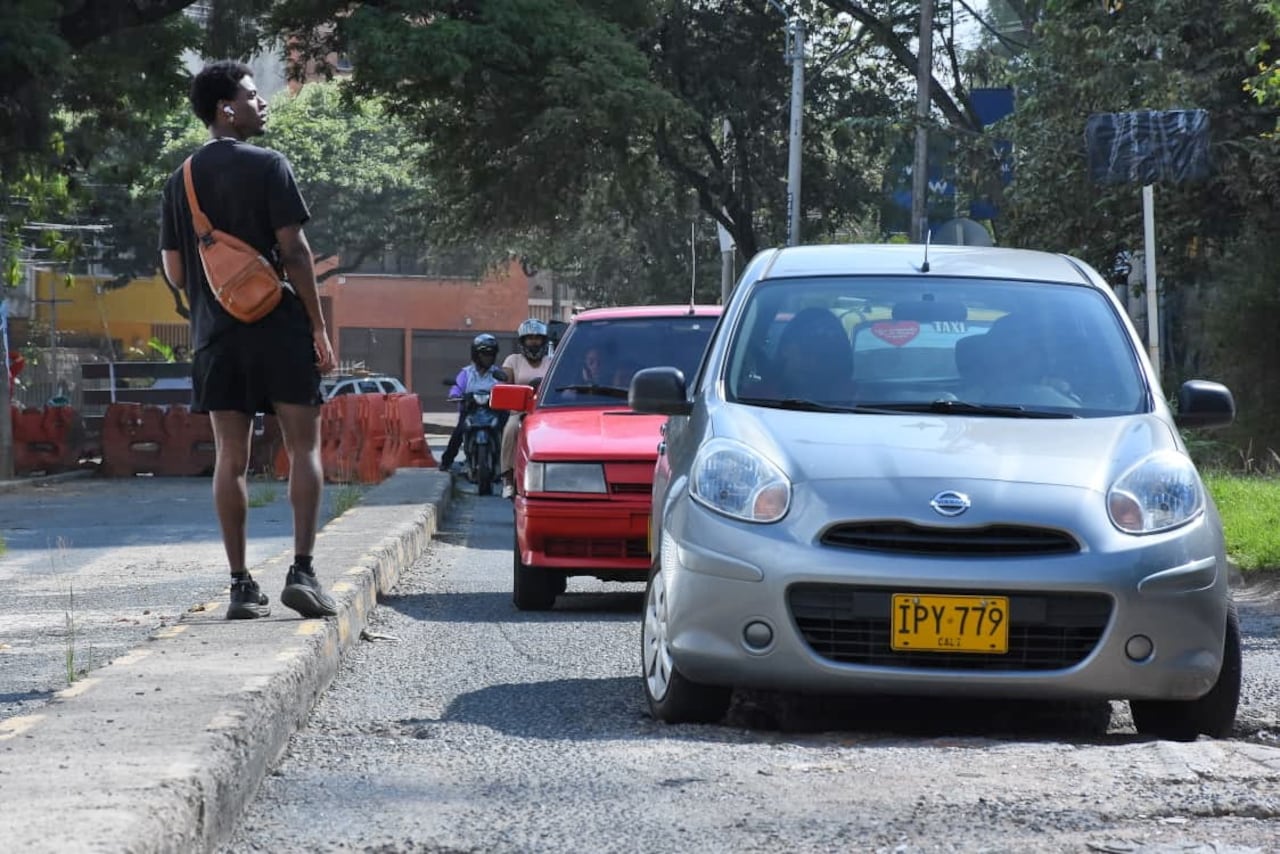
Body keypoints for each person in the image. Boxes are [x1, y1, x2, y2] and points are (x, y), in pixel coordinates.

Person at [159, 60, 338, 621]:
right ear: (225, 108)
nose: (262, 104)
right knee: (303, 448)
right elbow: (296, 251)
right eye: (252, 95)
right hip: (279, 329)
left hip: (216, 337)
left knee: (230, 457)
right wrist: (317, 325)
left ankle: (240, 585)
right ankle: (303, 571)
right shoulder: (269, 166)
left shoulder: (179, 180)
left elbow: (176, 272)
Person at [438, 333, 507, 473]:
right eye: (483, 354)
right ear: (476, 355)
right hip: (470, 410)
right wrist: (455, 395)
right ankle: (446, 461)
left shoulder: (496, 373)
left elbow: (504, 386)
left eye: (490, 354)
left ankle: (508, 463)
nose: (487, 357)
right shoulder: (466, 373)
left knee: (508, 429)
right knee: (458, 433)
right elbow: (457, 386)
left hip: (492, 409)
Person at [498, 319, 551, 498]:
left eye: (537, 338)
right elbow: (505, 381)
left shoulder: (552, 361)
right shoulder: (513, 360)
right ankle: (507, 477)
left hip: (545, 412)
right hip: (519, 410)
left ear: (544, 340)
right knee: (511, 429)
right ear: (522, 341)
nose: (534, 342)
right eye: (530, 338)